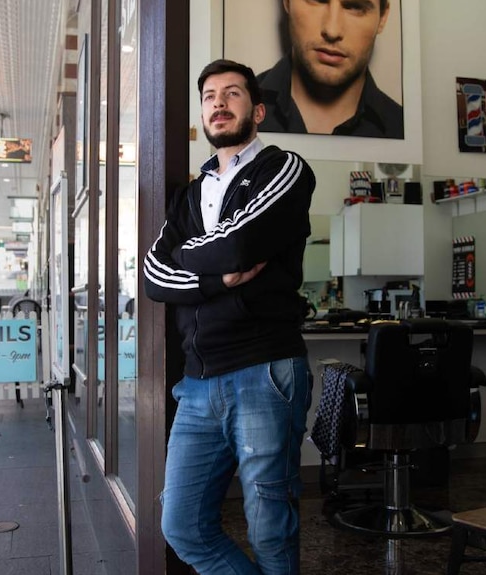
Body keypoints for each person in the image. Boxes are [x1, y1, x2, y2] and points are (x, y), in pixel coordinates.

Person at [143, 59, 316, 574]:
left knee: (270, 529)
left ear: (257, 110)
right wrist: (217, 279)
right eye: (210, 96)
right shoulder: (188, 196)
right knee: (182, 526)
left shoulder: (283, 168)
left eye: (233, 94)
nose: (219, 102)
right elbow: (153, 275)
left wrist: (190, 261)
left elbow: (241, 243)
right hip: (196, 384)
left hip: (263, 369)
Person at [256, 0, 403, 138]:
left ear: (382, 17)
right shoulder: (239, 111)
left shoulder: (402, 130)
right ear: (287, 2)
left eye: (355, 6)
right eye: (318, 0)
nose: (332, 31)